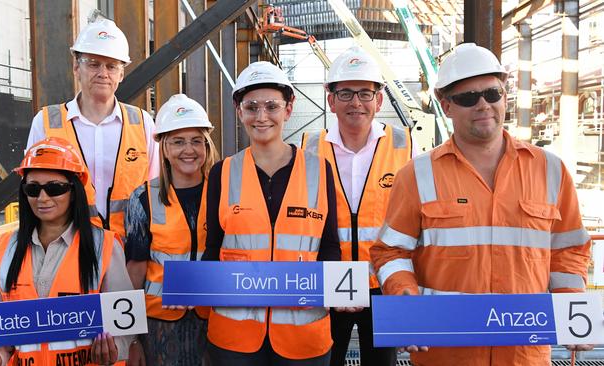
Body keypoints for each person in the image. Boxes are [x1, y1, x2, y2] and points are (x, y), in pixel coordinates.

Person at [370, 43, 592, 365]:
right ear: (446, 105)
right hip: (445, 352)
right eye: (467, 98)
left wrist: (571, 310)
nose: (483, 105)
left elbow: (569, 251)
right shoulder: (416, 175)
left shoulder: (551, 169)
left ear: (505, 95)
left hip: (522, 353)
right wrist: (406, 302)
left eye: (492, 93)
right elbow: (391, 252)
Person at [202, 61, 341, 365]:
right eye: (251, 107)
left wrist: (337, 292)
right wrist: (194, 292)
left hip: (303, 335)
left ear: (288, 109)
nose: (261, 116)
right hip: (235, 337)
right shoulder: (222, 173)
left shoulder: (319, 170)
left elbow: (330, 246)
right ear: (239, 112)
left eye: (271, 106)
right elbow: (213, 247)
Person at [0, 137, 134, 366]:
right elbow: (2, 332)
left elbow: (125, 327)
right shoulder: (7, 247)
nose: (42, 198)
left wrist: (115, 348)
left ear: (74, 191)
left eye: (54, 188)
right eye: (33, 189)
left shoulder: (104, 246)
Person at [302, 46, 413, 366]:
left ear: (379, 100)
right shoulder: (309, 148)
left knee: (382, 363)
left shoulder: (404, 145)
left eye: (365, 93)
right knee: (327, 361)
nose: (356, 102)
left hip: (385, 283)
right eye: (346, 92)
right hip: (329, 282)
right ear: (331, 99)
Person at [26, 17, 159, 241]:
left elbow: (156, 191)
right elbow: (33, 191)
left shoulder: (142, 123)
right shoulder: (46, 123)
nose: (103, 73)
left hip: (129, 251)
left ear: (121, 73)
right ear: (76, 66)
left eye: (111, 66)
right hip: (68, 249)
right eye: (93, 63)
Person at [124, 94, 219, 365]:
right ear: (163, 148)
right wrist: (132, 337)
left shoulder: (222, 191)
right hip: (159, 325)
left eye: (196, 140)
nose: (188, 149)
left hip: (213, 320)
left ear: (206, 145)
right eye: (178, 141)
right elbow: (135, 271)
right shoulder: (143, 198)